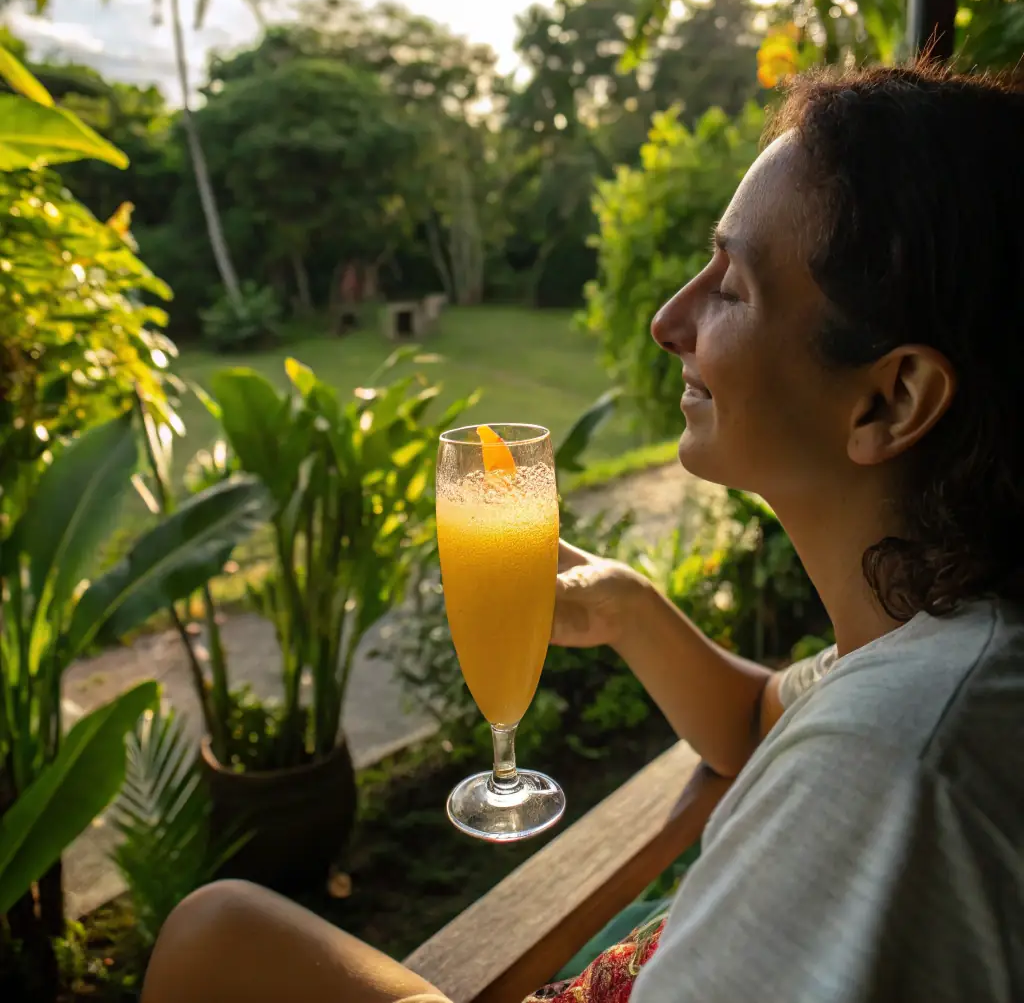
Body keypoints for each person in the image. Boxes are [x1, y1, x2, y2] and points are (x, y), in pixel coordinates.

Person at [142, 64, 1024, 1003]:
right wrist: (628, 607)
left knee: (214, 938)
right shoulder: (941, 638)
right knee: (221, 929)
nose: (667, 318)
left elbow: (838, 747)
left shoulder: (891, 766)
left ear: (891, 398)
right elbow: (761, 722)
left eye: (732, 287)